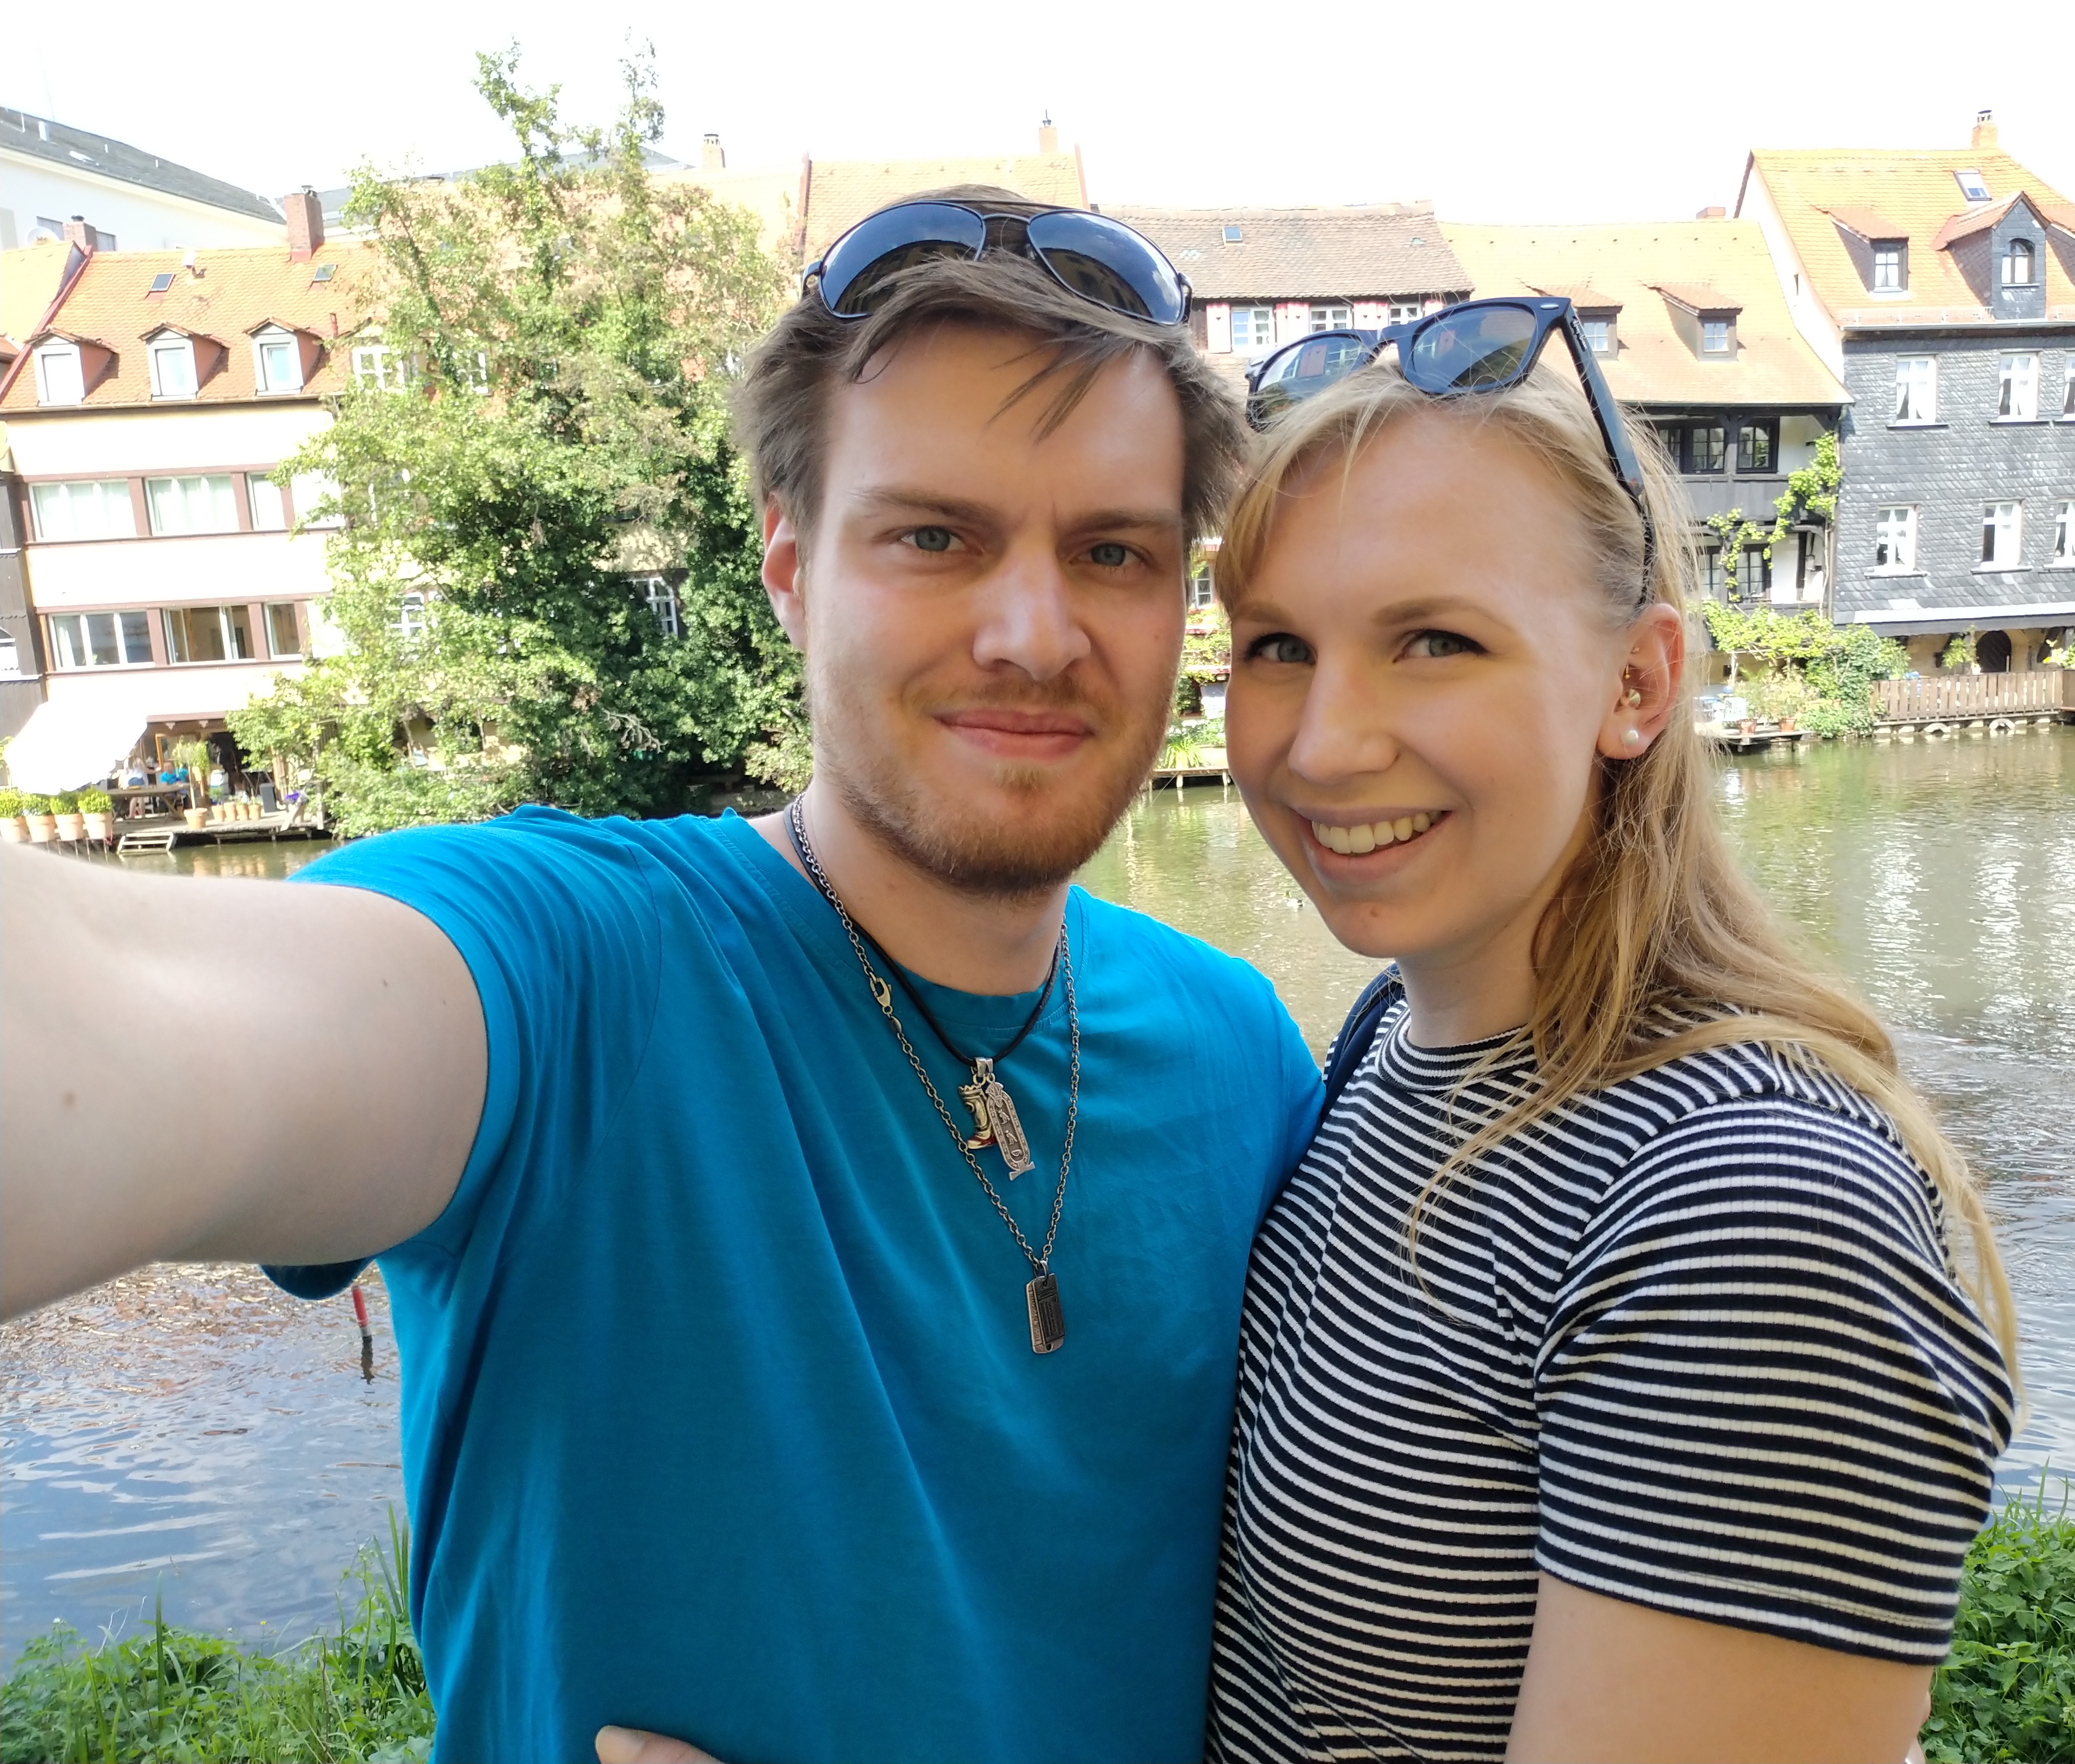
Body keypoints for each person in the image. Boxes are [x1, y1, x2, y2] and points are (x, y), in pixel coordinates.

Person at [0, 192, 1323, 1764]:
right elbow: (121, 1013)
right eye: (933, 537)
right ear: (789, 567)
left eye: (1110, 551)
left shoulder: (1246, 1055)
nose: (1034, 634)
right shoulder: (576, 976)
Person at [1201, 311, 2017, 1760]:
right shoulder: (1390, 1042)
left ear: (1636, 684)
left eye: (1434, 642)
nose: (1321, 743)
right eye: (1277, 646)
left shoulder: (1746, 1210)